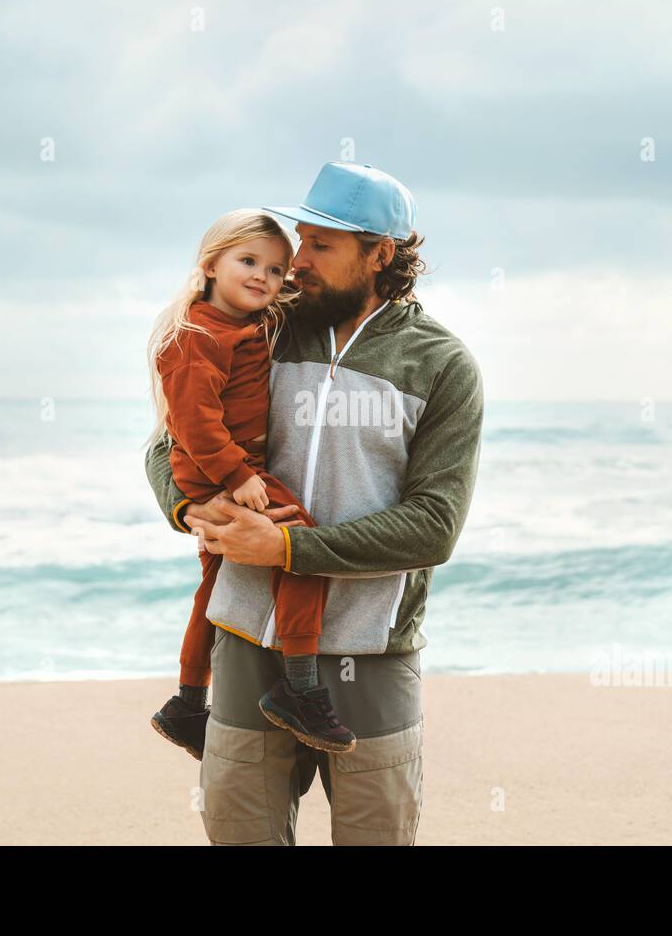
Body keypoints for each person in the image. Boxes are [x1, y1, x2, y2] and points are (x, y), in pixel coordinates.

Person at [144, 162, 483, 845]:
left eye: (322, 245)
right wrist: (189, 508)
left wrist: (290, 547)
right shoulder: (262, 328)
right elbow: (168, 440)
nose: (296, 262)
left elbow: (435, 524)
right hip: (244, 634)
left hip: (371, 645)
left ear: (381, 253)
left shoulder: (442, 364)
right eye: (301, 239)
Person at [146, 208, 357, 758]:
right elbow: (192, 423)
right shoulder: (194, 336)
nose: (264, 277)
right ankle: (300, 687)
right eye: (248, 262)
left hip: (222, 471)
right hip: (228, 470)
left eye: (276, 269)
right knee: (300, 546)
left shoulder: (243, 322)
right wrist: (237, 477)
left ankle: (188, 702)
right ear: (211, 263)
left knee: (214, 586)